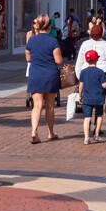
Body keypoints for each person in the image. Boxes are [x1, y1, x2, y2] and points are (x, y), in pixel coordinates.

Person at [26, 14, 63, 143]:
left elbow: (28, 58)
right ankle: (50, 133)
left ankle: (34, 132)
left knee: (36, 106)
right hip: (50, 75)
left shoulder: (31, 40)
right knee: (50, 106)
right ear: (49, 27)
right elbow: (58, 60)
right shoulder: (53, 41)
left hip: (35, 74)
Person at [78, 51, 106, 144]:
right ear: (97, 59)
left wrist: (80, 95)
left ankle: (86, 138)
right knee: (99, 115)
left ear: (86, 60)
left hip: (87, 98)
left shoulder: (83, 72)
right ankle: (96, 134)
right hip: (98, 98)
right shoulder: (100, 72)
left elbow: (81, 85)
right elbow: (104, 86)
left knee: (87, 117)